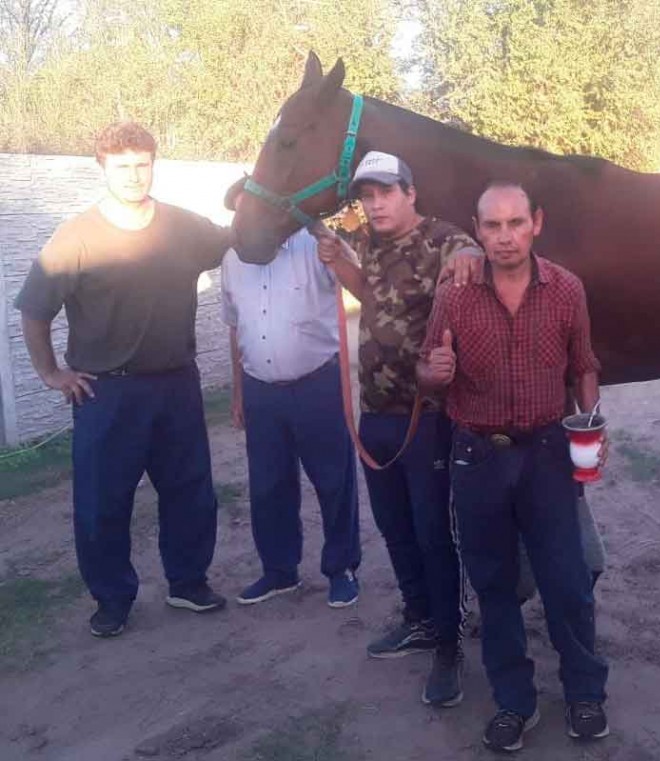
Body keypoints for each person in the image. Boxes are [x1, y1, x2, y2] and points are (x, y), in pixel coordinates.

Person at [15, 122, 233, 638]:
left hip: (177, 383)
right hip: (106, 392)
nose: (134, 175)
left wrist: (272, 203)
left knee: (190, 491)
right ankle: (112, 598)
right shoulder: (76, 236)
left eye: (142, 163)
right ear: (102, 168)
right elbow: (34, 311)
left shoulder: (185, 226)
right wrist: (51, 373)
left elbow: (237, 242)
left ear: (154, 163)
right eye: (122, 166)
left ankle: (188, 583)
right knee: (102, 501)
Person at [418, 181, 610, 752]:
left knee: (567, 581)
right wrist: (437, 371)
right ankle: (514, 702)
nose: (505, 237)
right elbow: (426, 373)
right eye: (493, 226)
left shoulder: (566, 290)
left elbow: (585, 365)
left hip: (550, 453)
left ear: (536, 224)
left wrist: (592, 421)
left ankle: (584, 694)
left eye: (515, 223)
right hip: (476, 456)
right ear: (477, 230)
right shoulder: (454, 294)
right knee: (494, 585)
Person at [316, 151, 482, 707]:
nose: (375, 203)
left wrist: (469, 256)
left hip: (427, 418)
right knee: (394, 528)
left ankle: (449, 644)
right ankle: (419, 619)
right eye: (367, 195)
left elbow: (469, 251)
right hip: (376, 413)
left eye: (386, 192)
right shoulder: (368, 243)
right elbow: (371, 295)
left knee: (435, 534)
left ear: (411, 193)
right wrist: (338, 263)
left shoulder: (441, 239)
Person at [220, 227, 361, 608]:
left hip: (317, 383)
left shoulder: (315, 245)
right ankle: (279, 571)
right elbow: (235, 327)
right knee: (268, 485)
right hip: (260, 390)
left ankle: (341, 568)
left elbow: (359, 279)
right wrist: (238, 392)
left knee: (334, 480)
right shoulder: (232, 258)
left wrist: (333, 244)